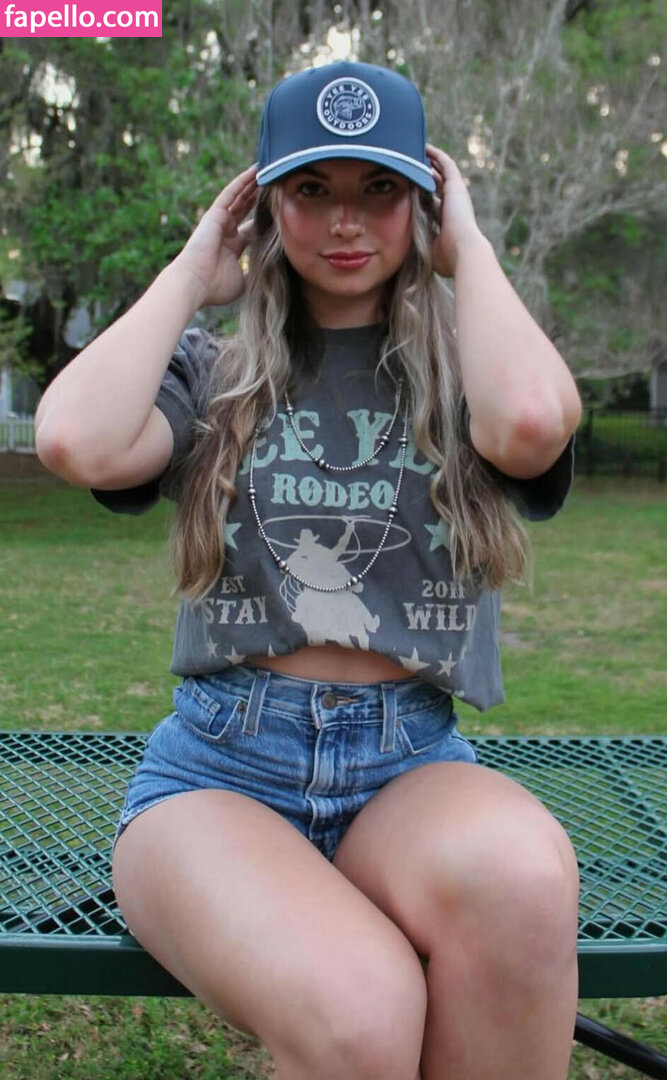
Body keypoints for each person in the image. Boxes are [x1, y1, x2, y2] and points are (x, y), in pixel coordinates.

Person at [35, 60, 582, 1080]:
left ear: (422, 206)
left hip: (408, 768)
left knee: (523, 886)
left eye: (379, 190)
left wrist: (470, 252)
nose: (344, 222)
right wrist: (193, 268)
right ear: (264, 206)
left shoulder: (469, 364)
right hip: (219, 775)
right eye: (310, 189)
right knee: (361, 1013)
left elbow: (529, 426)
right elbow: (76, 440)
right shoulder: (213, 369)